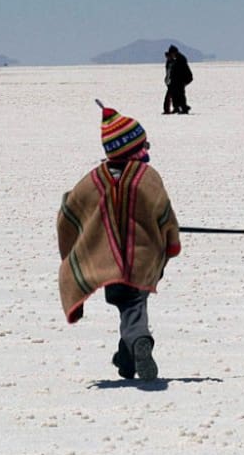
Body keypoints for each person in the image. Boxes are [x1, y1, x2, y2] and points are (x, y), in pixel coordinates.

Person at [56, 101, 182, 381]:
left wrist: (74, 249)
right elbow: (165, 215)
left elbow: (68, 213)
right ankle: (139, 343)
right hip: (143, 258)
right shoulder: (146, 177)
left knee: (128, 305)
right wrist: (171, 243)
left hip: (106, 261)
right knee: (134, 305)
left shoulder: (91, 180)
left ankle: (126, 359)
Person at [164, 44, 193, 114]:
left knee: (180, 94)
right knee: (175, 94)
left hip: (181, 80)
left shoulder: (180, 59)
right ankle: (177, 108)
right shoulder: (173, 60)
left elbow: (182, 71)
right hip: (175, 81)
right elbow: (169, 71)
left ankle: (184, 108)